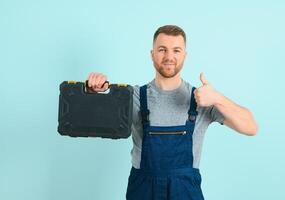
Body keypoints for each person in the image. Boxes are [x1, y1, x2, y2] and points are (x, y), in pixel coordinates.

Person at [86, 25, 258, 200]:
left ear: (185, 55)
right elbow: (92, 122)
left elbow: (251, 127)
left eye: (176, 50)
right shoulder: (133, 96)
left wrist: (217, 98)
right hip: (143, 191)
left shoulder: (202, 98)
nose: (169, 57)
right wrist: (93, 92)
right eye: (162, 49)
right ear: (152, 54)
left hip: (185, 191)